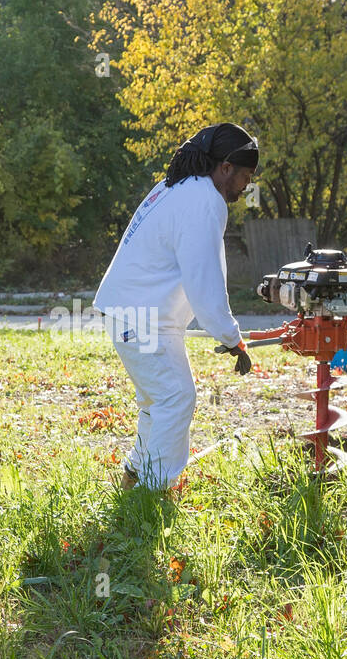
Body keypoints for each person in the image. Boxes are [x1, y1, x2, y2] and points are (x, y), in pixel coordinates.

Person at [94, 123, 258, 491]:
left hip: (135, 312)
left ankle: (133, 479)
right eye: (245, 175)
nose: (247, 185)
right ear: (226, 167)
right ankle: (153, 496)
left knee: (158, 401)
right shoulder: (204, 200)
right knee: (175, 397)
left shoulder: (178, 188)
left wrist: (227, 331)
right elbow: (204, 279)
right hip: (142, 315)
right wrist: (232, 337)